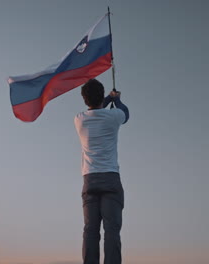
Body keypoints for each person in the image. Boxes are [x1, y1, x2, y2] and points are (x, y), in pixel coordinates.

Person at [74, 79, 129, 264]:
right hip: (111, 178)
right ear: (102, 93)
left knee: (90, 230)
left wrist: (107, 99)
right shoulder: (114, 116)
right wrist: (116, 99)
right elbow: (126, 114)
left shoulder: (79, 119)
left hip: (90, 179)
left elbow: (97, 106)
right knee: (111, 230)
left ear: (84, 99)